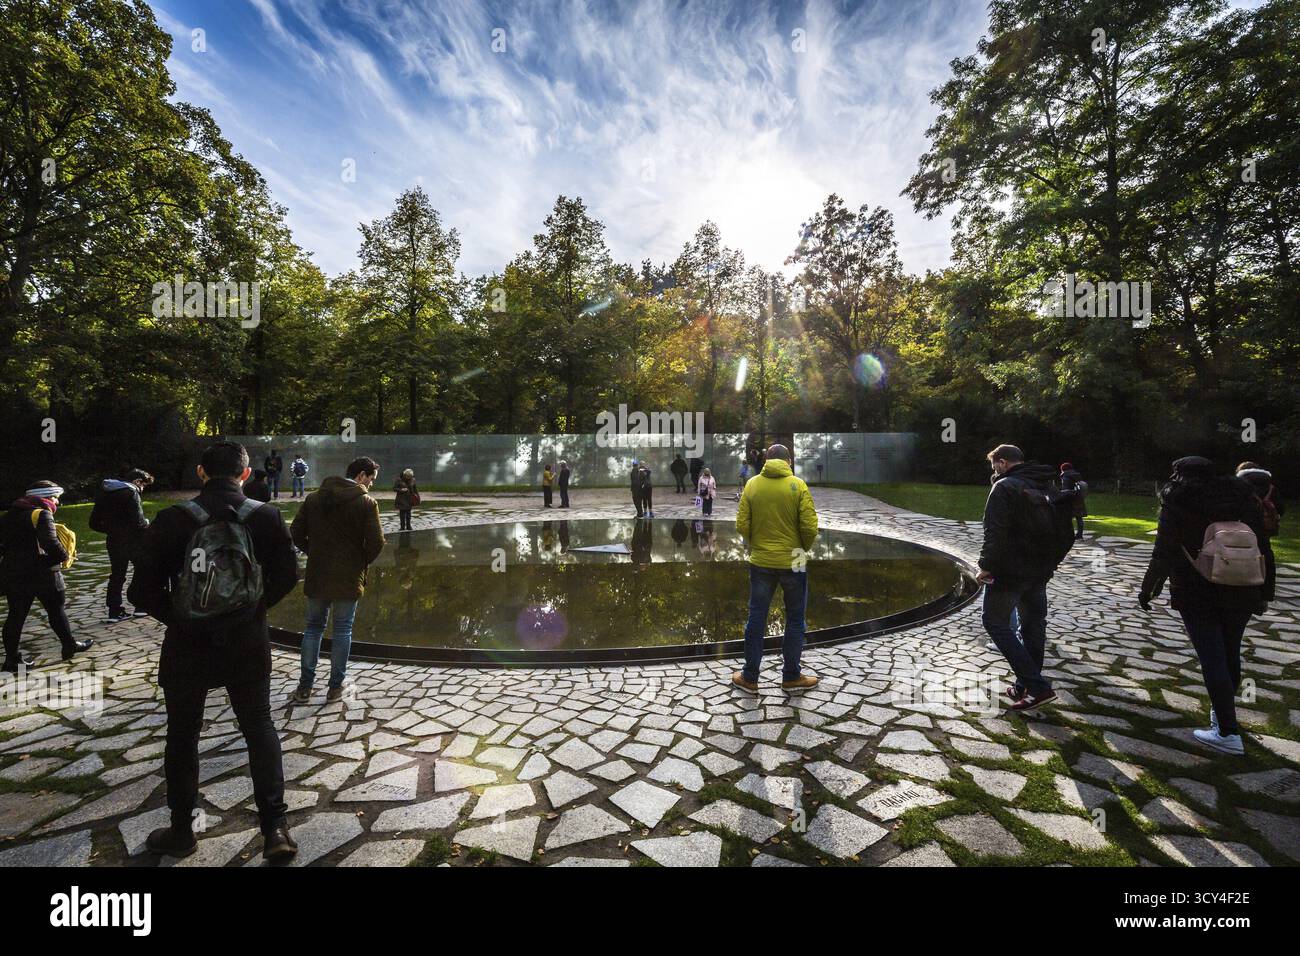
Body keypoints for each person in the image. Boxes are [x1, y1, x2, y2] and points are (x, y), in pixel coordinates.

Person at [127, 442, 298, 861]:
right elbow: (289, 576)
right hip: (247, 643)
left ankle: (182, 831)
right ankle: (275, 829)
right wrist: (251, 610)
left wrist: (184, 617)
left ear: (201, 473)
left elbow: (140, 591)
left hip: (188, 646)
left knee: (183, 735)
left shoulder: (172, 520)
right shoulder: (266, 517)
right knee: (259, 728)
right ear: (244, 474)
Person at [1139, 457, 1275, 756]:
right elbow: (1263, 546)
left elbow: (1164, 549)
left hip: (1196, 587)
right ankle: (1222, 714)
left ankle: (1227, 732)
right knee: (1229, 652)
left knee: (1212, 656)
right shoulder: (1241, 497)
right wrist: (1266, 591)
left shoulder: (1178, 498)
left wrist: (1148, 588)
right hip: (1243, 583)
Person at [290, 457, 386, 703]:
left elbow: (296, 532)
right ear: (361, 476)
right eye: (371, 480)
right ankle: (334, 688)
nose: (371, 485)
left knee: (312, 629)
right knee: (343, 630)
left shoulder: (314, 498)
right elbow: (376, 542)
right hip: (348, 576)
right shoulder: (366, 503)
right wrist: (359, 561)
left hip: (318, 573)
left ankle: (304, 687)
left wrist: (314, 551)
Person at [977, 444, 1063, 712]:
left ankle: (1037, 687)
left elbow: (995, 532)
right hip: (1039, 570)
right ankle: (1025, 685)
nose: (994, 471)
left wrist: (985, 566)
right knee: (1033, 626)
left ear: (1002, 462)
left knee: (994, 622)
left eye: (994, 466)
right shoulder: (1043, 484)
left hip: (1011, 571)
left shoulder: (1004, 487)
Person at [733, 444, 820, 692]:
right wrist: (802, 547)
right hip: (794, 557)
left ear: (766, 460)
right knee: (795, 619)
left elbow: (742, 524)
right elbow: (809, 527)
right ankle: (791, 676)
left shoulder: (752, 485)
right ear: (788, 462)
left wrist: (756, 544)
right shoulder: (798, 485)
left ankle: (749, 677)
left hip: (761, 559)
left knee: (756, 617)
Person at [1, 481, 93, 672]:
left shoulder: (8, 516)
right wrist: (63, 556)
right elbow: (50, 542)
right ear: (46, 497)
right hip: (44, 574)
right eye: (55, 498)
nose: (57, 503)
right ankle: (69, 645)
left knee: (16, 615)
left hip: (14, 573)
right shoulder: (42, 514)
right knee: (56, 610)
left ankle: (12, 660)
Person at [91, 468, 153, 623]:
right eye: (143, 486)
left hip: (113, 540)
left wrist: (112, 530)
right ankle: (140, 606)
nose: (142, 489)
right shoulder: (131, 493)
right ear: (137, 481)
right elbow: (138, 522)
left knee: (117, 575)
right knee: (142, 570)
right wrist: (147, 523)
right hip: (133, 540)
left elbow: (93, 523)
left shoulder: (105, 493)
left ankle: (114, 611)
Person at [1059, 462, 1088, 540]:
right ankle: (1080, 535)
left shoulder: (1065, 476)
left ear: (1063, 469)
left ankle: (1068, 534)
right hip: (1079, 499)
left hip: (1070, 499)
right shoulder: (1077, 475)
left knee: (1067, 518)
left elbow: (1065, 489)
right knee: (1079, 518)